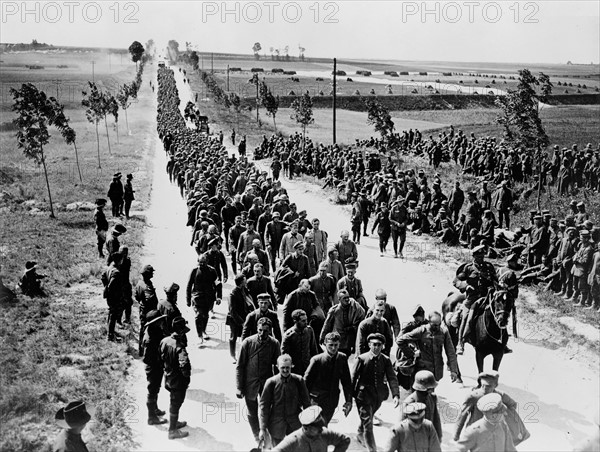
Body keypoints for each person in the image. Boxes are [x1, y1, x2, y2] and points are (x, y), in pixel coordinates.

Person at [352, 333, 400, 452]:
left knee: (369, 416)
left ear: (383, 346)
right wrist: (350, 398)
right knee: (368, 424)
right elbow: (352, 378)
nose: (376, 347)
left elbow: (392, 377)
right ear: (369, 345)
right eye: (374, 344)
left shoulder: (386, 360)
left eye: (379, 345)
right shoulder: (361, 359)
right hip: (363, 396)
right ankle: (372, 449)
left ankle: (359, 433)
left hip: (379, 396)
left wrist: (396, 395)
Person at [236, 317, 281, 444]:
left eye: (266, 331)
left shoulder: (274, 343)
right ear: (257, 329)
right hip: (250, 383)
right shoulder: (248, 342)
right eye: (260, 330)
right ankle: (256, 435)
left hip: (266, 382)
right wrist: (239, 387)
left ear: (270, 331)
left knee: (267, 407)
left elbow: (277, 366)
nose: (262, 334)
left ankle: (266, 430)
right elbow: (240, 366)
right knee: (252, 410)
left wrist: (278, 385)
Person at [454, 371, 523, 444]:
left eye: (488, 386)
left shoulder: (501, 395)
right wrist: (456, 434)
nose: (484, 388)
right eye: (482, 385)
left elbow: (513, 405)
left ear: (495, 385)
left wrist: (503, 412)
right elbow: (462, 416)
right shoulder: (473, 396)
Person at [454, 244, 498, 355]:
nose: (481, 259)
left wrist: (494, 286)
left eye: (482, 257)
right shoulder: (468, 268)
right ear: (473, 257)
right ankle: (460, 343)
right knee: (466, 317)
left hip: (487, 297)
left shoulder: (489, 267)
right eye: (478, 257)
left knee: (499, 314)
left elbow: (495, 280)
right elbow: (456, 281)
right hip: (472, 299)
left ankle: (500, 341)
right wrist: (465, 286)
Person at [259, 354, 311, 447]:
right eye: (282, 368)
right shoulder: (271, 382)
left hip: (295, 423)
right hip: (276, 424)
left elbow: (306, 403)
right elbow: (264, 406)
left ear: (292, 366)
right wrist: (262, 429)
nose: (286, 370)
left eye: (288, 367)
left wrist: (309, 423)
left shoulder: (298, 380)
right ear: (277, 367)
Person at [304, 332, 353, 426]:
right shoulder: (316, 360)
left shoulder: (342, 358)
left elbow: (346, 382)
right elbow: (306, 382)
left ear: (339, 344)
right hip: (316, 401)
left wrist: (349, 401)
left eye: (336, 345)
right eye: (330, 345)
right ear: (325, 344)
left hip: (332, 401)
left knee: (324, 426)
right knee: (316, 427)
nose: (333, 348)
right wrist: (304, 402)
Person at [397, 311, 460, 383]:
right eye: (434, 325)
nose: (437, 327)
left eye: (439, 324)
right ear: (429, 322)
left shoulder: (444, 332)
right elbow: (400, 340)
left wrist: (453, 371)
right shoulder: (421, 330)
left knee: (431, 391)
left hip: (436, 371)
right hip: (422, 371)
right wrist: (410, 354)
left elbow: (451, 352)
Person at [160, 316, 191, 439]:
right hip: (178, 381)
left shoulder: (164, 341)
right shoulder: (180, 348)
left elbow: (161, 357)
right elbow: (184, 367)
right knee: (176, 402)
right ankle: (172, 430)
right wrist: (187, 377)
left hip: (168, 376)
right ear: (181, 331)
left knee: (173, 401)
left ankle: (174, 422)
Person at [272, 405, 351, 452]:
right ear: (306, 428)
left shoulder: (324, 434)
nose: (321, 430)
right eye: (317, 428)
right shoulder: (293, 440)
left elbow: (345, 440)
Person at [141, 310, 168, 425]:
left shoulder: (154, 330)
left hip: (156, 365)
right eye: (159, 320)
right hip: (153, 366)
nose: (162, 321)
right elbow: (148, 358)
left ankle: (154, 409)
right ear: (154, 322)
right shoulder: (150, 339)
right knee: (152, 391)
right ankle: (151, 417)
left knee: (156, 389)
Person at [186, 254, 220, 342]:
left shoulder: (212, 271)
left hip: (208, 298)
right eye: (200, 262)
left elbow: (218, 284)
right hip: (197, 298)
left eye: (204, 263)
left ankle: (204, 330)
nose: (201, 264)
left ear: (207, 262)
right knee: (198, 315)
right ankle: (199, 335)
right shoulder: (194, 271)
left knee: (205, 315)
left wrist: (219, 296)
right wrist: (188, 299)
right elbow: (189, 286)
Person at [320, 289, 365, 356]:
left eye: (348, 297)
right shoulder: (334, 311)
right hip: (337, 341)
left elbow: (361, 318)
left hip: (348, 342)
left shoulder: (355, 307)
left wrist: (353, 327)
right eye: (344, 298)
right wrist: (322, 337)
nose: (347, 299)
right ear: (339, 299)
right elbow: (327, 324)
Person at [402, 370, 442, 440]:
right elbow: (402, 426)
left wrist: (439, 437)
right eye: (429, 388)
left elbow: (436, 419)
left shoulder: (432, 397)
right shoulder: (409, 402)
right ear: (421, 388)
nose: (432, 390)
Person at [281, 309, 319, 376]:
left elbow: (314, 349)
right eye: (303, 321)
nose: (306, 322)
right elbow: (284, 355)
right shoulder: (288, 335)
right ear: (295, 321)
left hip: (308, 367)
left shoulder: (309, 331)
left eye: (306, 320)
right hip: (295, 370)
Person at [227, 273, 256, 363]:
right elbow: (233, 312)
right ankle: (232, 355)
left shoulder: (244, 290)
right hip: (234, 319)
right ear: (240, 283)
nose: (246, 282)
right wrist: (242, 322)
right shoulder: (233, 294)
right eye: (244, 281)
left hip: (244, 317)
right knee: (233, 337)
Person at [135, 264, 159, 351]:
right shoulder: (147, 286)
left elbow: (136, 296)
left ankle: (141, 348)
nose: (153, 274)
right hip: (148, 311)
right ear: (148, 274)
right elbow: (149, 299)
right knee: (149, 329)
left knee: (142, 328)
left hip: (142, 309)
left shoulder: (139, 283)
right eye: (151, 272)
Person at [101, 253, 124, 341]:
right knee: (113, 315)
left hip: (109, 296)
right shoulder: (116, 272)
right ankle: (110, 336)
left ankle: (110, 332)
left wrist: (105, 287)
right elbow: (112, 285)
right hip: (114, 297)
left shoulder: (109, 267)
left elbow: (103, 277)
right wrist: (112, 292)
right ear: (119, 260)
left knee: (111, 314)